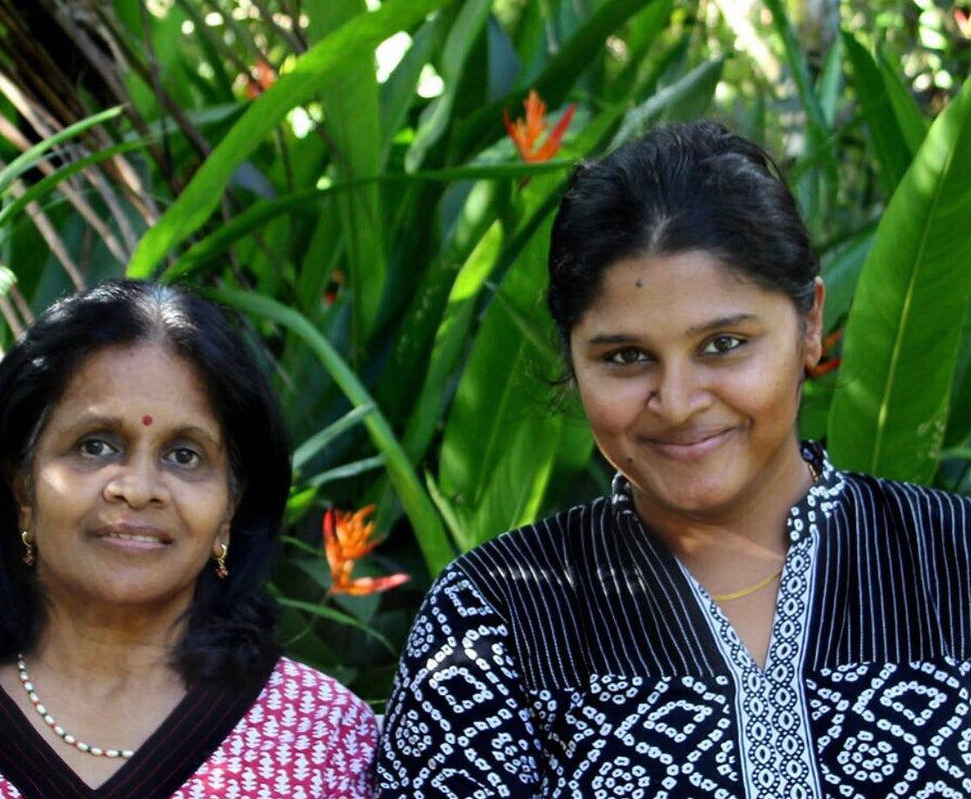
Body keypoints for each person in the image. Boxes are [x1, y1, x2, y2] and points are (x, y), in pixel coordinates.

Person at [375, 121, 971, 798]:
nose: (679, 402)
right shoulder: (496, 617)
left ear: (810, 325)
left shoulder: (952, 562)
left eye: (723, 343)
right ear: (570, 359)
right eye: (625, 357)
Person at [0, 280, 377, 798]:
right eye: (95, 445)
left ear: (231, 506)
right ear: (22, 486)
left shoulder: (322, 737)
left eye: (185, 455)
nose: (138, 489)